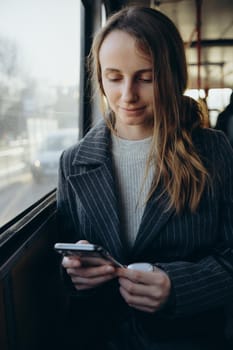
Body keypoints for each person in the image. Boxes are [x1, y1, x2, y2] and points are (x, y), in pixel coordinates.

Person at [56, 6, 233, 350]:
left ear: (172, 76)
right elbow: (63, 261)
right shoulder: (72, 161)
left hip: (190, 338)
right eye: (114, 77)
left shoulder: (214, 150)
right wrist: (73, 272)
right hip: (99, 338)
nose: (127, 95)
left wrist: (178, 286)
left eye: (146, 78)